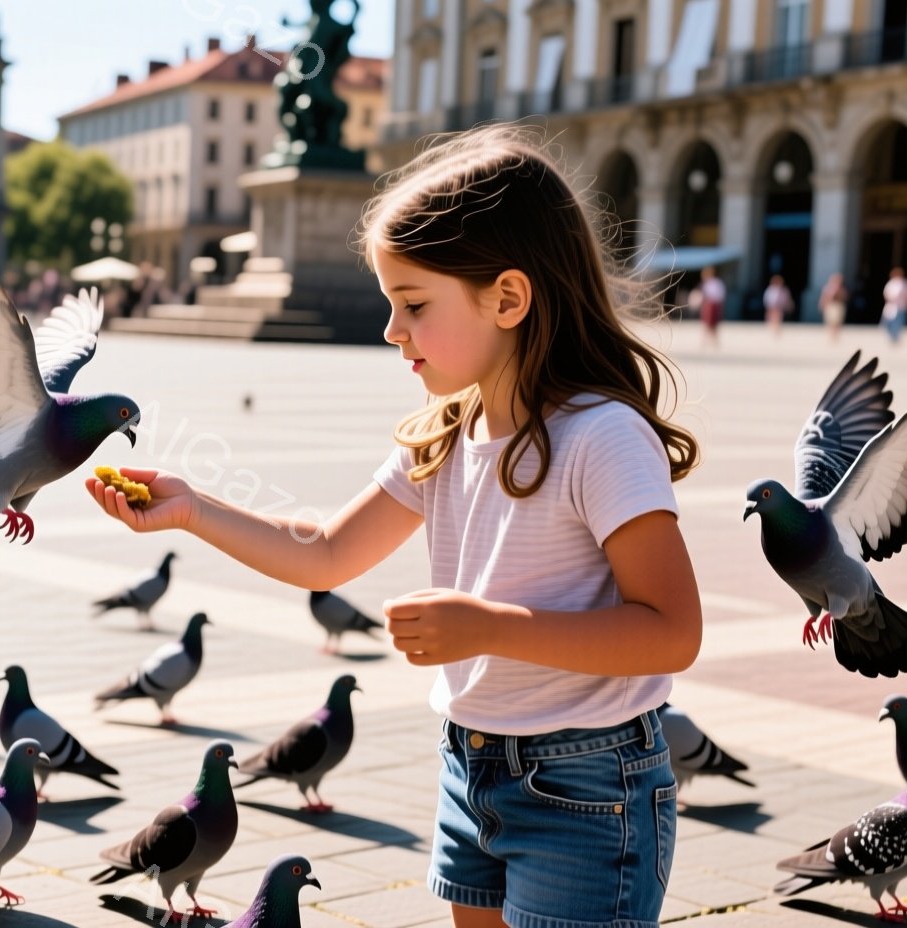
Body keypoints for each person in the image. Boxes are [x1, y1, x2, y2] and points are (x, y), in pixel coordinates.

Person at [85, 126, 702, 928]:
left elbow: (672, 632)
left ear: (508, 299)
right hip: (471, 764)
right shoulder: (444, 432)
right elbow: (327, 553)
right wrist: (194, 509)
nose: (391, 329)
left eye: (413, 304)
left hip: (588, 784)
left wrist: (490, 627)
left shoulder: (601, 435)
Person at [881, 266, 907, 345]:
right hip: (891, 307)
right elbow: (886, 294)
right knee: (887, 323)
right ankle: (892, 336)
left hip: (902, 307)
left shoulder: (906, 284)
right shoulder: (891, 283)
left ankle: (895, 337)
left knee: (898, 323)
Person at [698, 264, 725, 348]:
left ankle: (713, 342)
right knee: (707, 324)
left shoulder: (715, 283)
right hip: (709, 305)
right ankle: (706, 342)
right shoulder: (707, 283)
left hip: (713, 305)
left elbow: (719, 296)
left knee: (712, 325)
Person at [761, 273, 793, 338]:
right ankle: (773, 328)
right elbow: (767, 297)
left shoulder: (783, 289)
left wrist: (788, 305)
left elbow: (786, 298)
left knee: (778, 317)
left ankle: (776, 328)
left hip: (779, 305)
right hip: (772, 305)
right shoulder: (770, 289)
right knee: (772, 317)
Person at [819, 272, 848, 343]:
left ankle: (835, 335)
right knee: (831, 321)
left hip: (838, 306)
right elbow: (824, 297)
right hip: (831, 306)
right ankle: (832, 335)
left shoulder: (842, 289)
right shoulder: (828, 288)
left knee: (837, 321)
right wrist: (822, 304)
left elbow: (845, 297)